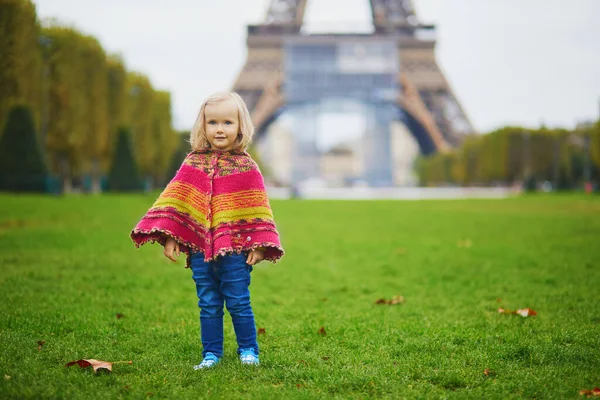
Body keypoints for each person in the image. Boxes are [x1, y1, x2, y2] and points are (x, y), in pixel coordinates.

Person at [130, 92, 284, 369]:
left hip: (236, 250)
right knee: (208, 303)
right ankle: (211, 354)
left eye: (227, 122)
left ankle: (249, 349)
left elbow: (257, 209)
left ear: (240, 126)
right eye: (212, 122)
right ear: (203, 126)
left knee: (238, 302)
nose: (220, 129)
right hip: (201, 248)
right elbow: (178, 200)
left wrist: (259, 244)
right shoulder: (193, 164)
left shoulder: (247, 166)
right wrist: (170, 236)